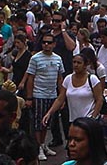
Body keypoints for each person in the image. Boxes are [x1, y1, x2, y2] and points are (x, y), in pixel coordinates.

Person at [26, 33, 65, 161]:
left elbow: (60, 79)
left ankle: (43, 144)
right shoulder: (35, 59)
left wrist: (61, 96)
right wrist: (29, 97)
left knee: (47, 123)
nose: (46, 45)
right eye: (44, 42)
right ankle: (38, 147)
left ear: (54, 44)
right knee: (38, 123)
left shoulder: (58, 59)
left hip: (52, 95)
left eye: (49, 42)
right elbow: (30, 79)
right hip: (39, 95)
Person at [42, 54, 103, 126]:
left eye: (79, 63)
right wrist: (49, 113)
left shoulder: (92, 79)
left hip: (88, 120)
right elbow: (60, 99)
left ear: (85, 65)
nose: (76, 65)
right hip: (74, 120)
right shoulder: (68, 79)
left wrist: (93, 117)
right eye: (74, 62)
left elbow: (99, 100)